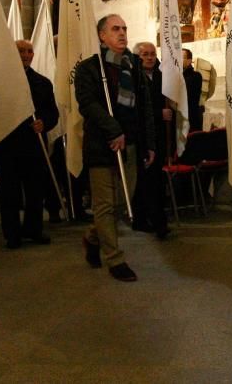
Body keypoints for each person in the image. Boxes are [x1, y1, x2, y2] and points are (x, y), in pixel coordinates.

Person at [75, 15, 155, 282]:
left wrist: (149, 143)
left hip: (130, 144)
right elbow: (88, 104)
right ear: (102, 36)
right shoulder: (89, 68)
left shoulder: (132, 66)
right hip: (101, 145)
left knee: (122, 203)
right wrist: (114, 131)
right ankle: (115, 259)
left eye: (124, 28)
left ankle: (91, 237)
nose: (122, 33)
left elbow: (144, 107)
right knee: (105, 205)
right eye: (115, 29)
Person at [0, 40, 59, 249]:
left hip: (34, 146)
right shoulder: (1, 82)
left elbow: (52, 112)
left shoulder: (43, 82)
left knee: (35, 192)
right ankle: (12, 234)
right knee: (10, 193)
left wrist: (44, 122)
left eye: (30, 51)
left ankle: (33, 229)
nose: (26, 54)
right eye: (21, 50)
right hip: (8, 146)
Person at [132, 41, 170, 239]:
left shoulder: (162, 77)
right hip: (141, 137)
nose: (149, 57)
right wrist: (158, 113)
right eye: (144, 54)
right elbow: (137, 109)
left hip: (159, 137)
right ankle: (145, 218)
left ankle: (157, 219)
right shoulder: (132, 77)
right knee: (143, 181)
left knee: (156, 180)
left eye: (152, 54)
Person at [182, 48, 204, 131]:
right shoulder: (177, 76)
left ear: (189, 61)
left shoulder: (196, 76)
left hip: (192, 118)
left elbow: (187, 92)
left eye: (181, 57)